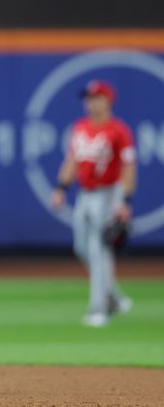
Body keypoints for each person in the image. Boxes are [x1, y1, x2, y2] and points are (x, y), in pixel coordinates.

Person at [50, 80, 136, 328]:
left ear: (107, 100)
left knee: (100, 251)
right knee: (81, 248)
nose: (90, 102)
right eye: (88, 97)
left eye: (96, 97)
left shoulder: (119, 131)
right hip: (85, 194)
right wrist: (61, 188)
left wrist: (125, 201)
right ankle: (116, 298)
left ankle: (99, 309)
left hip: (109, 193)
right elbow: (73, 160)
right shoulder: (80, 127)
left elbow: (129, 167)